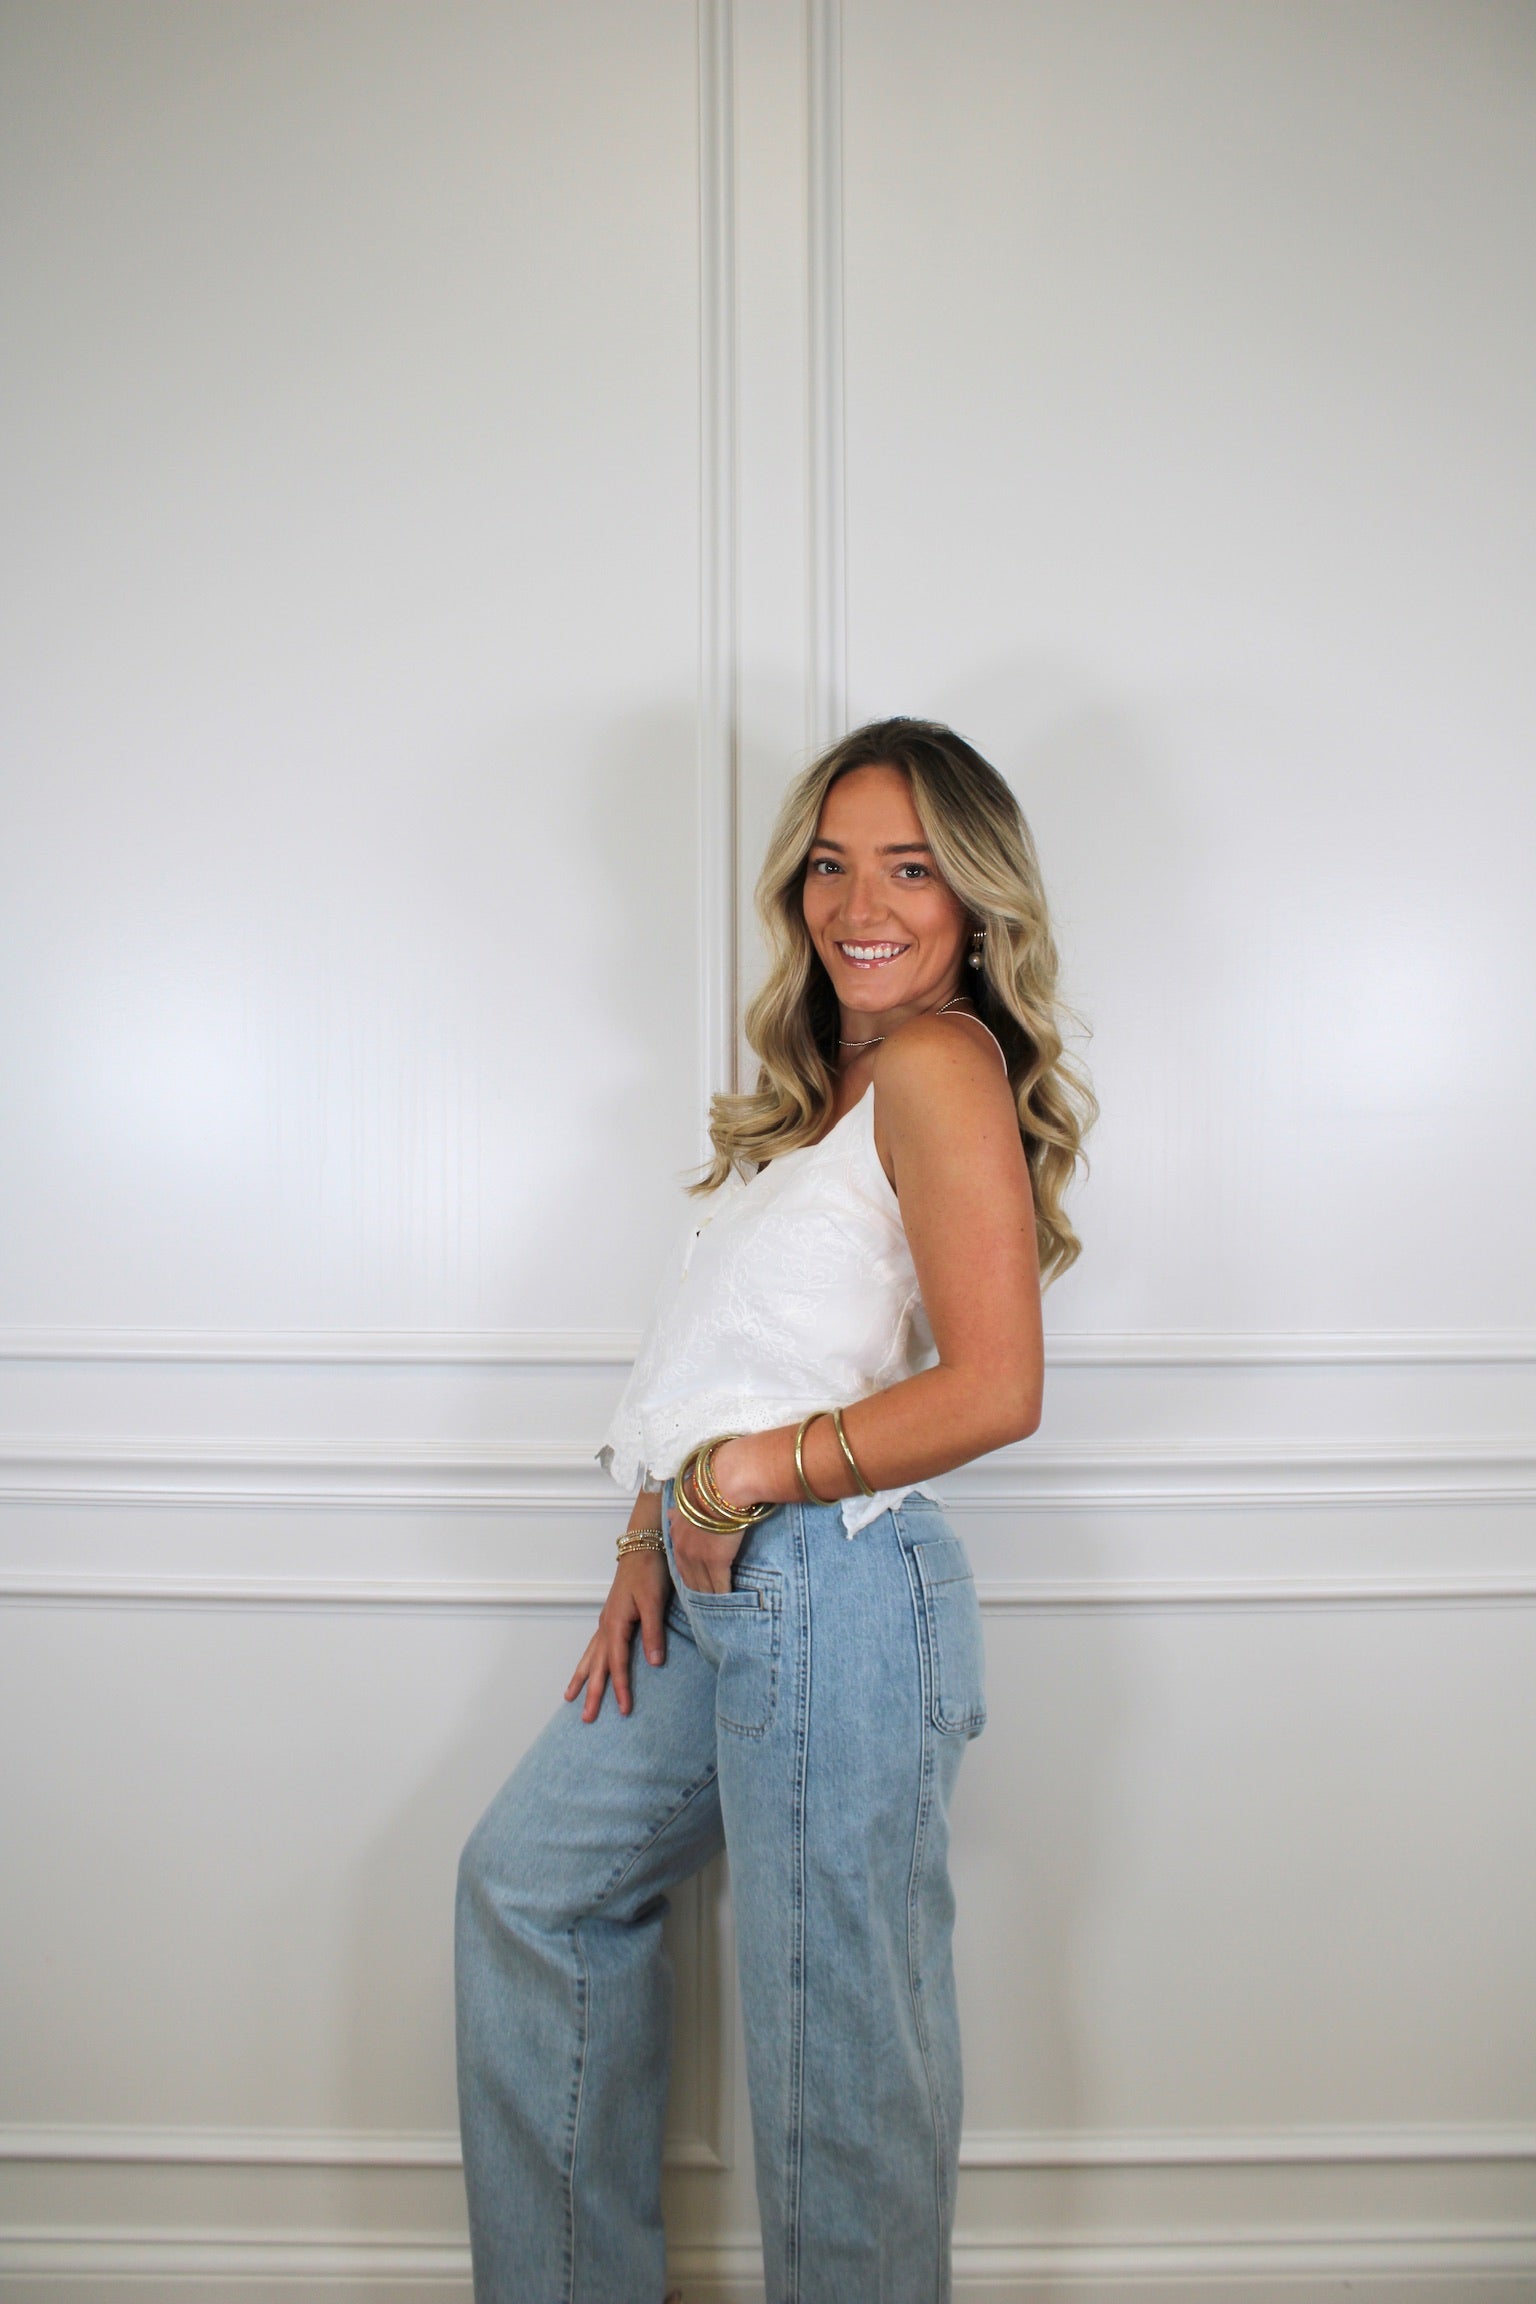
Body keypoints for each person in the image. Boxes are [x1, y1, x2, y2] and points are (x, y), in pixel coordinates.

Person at [455, 718, 1094, 2304]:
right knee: (531, 1888)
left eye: (910, 868)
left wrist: (738, 1477)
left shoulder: (939, 1062)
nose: (859, 904)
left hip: (840, 1585)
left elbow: (997, 1386)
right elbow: (726, 1367)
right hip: (722, 1585)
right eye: (829, 865)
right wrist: (648, 1531)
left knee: (835, 2043)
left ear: (976, 901)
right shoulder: (825, 1093)